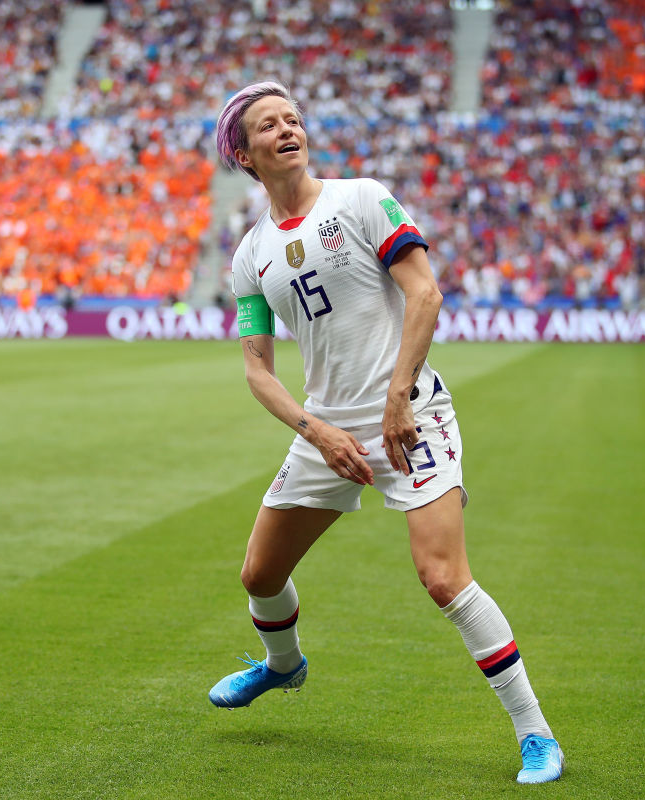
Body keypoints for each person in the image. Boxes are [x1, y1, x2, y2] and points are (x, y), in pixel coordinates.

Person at [207, 82, 564, 785]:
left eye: (293, 119)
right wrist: (318, 431)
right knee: (259, 575)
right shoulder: (250, 256)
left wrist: (398, 396)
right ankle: (284, 667)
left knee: (443, 579)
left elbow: (425, 292)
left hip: (412, 417)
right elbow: (258, 372)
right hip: (328, 431)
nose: (287, 129)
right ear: (244, 155)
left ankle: (536, 734)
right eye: (268, 125)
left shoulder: (362, 199)